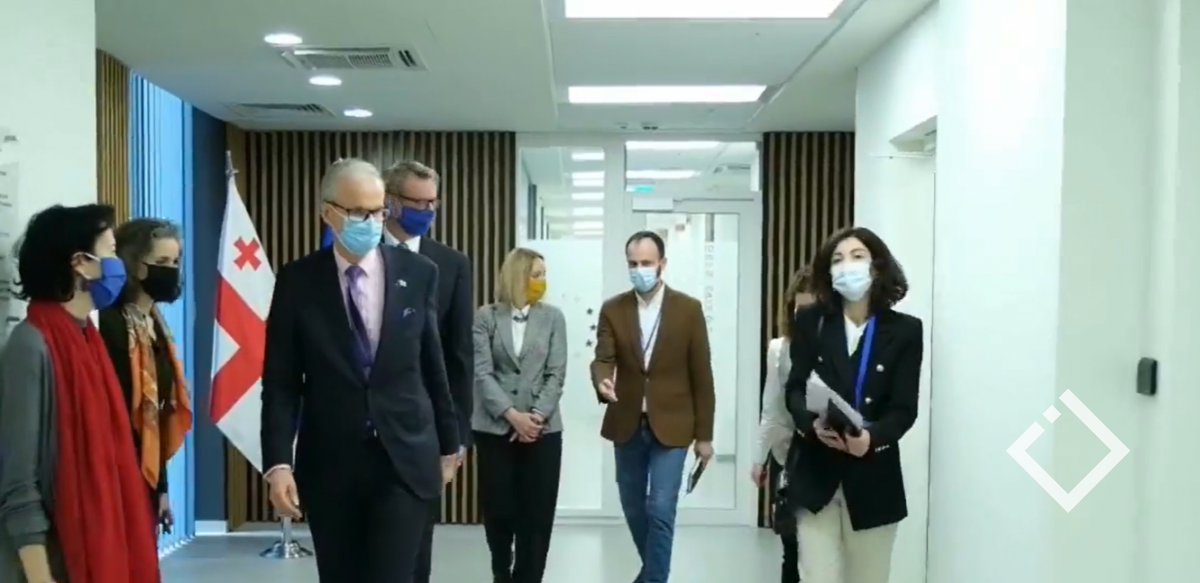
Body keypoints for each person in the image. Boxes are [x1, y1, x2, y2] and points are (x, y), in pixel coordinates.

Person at [260, 159, 461, 583]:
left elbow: (433, 364)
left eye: (377, 211)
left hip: (405, 458)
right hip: (331, 462)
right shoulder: (297, 281)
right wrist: (278, 463)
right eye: (357, 212)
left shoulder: (418, 273)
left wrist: (451, 444)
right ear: (328, 212)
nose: (370, 222)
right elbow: (281, 382)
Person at [0, 204, 160, 583]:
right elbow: (19, 482)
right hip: (52, 565)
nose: (118, 265)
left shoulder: (87, 337)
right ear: (81, 264)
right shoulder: (30, 345)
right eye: (110, 252)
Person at [783, 227, 924, 583]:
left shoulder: (906, 331)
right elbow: (795, 388)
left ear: (876, 267)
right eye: (837, 259)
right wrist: (810, 424)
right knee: (817, 576)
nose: (847, 266)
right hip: (817, 475)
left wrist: (871, 438)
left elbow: (904, 409)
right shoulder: (812, 321)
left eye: (857, 256)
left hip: (873, 478)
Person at [590, 230, 715, 583]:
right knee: (633, 506)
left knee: (660, 507)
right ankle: (652, 573)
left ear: (662, 264)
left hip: (674, 425)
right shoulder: (613, 309)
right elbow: (603, 358)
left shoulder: (688, 309)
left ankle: (655, 579)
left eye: (646, 263)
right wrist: (602, 380)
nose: (639, 270)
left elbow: (702, 375)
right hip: (627, 422)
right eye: (632, 264)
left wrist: (704, 436)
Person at [380, 160, 474, 583]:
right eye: (418, 203)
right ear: (391, 202)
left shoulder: (451, 264)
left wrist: (458, 436)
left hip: (425, 426)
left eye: (433, 203)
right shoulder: (357, 255)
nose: (427, 211)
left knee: (416, 544)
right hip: (364, 423)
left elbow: (459, 355)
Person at [472, 247, 567, 583]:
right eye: (536, 274)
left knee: (537, 513)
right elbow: (482, 372)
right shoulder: (486, 316)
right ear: (517, 276)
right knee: (499, 509)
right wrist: (513, 416)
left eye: (544, 275)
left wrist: (535, 417)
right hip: (495, 429)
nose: (542, 281)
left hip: (543, 430)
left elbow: (556, 373)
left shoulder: (553, 317)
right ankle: (502, 569)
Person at [97, 218, 194, 534]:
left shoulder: (155, 324)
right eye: (161, 262)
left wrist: (161, 488)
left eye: (175, 262)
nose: (171, 270)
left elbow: (157, 413)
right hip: (115, 470)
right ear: (134, 264)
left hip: (145, 473)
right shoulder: (110, 324)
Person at [752, 267, 814, 583]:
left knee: (818, 548)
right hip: (789, 455)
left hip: (828, 456)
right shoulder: (779, 349)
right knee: (791, 544)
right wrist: (759, 457)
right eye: (799, 309)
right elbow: (771, 406)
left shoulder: (839, 349)